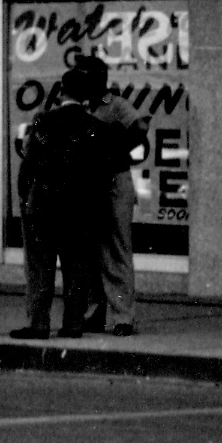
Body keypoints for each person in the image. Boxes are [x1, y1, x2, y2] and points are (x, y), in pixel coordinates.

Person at [12, 65, 112, 338]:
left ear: (61, 91)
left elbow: (29, 164)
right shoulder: (96, 128)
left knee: (40, 267)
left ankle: (39, 322)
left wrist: (26, 199)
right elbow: (101, 175)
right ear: (86, 96)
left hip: (45, 204)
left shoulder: (44, 120)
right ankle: (74, 322)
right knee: (76, 267)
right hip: (79, 209)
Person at [84, 60, 146, 338]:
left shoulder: (116, 104)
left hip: (115, 178)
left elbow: (140, 127)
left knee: (118, 248)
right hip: (93, 181)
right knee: (92, 250)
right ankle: (93, 313)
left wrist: (114, 146)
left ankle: (123, 316)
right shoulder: (83, 106)